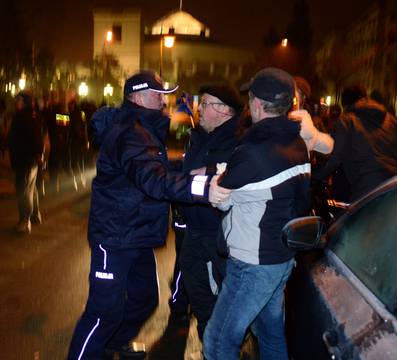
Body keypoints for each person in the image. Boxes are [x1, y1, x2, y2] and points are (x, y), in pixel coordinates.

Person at [67, 71, 228, 359]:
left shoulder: (142, 129)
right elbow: (153, 179)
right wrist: (204, 189)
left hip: (134, 233)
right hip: (115, 237)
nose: (164, 100)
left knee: (144, 299)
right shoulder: (130, 132)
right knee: (103, 312)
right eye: (158, 95)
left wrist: (197, 169)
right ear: (139, 97)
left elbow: (156, 168)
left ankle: (112, 344)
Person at [203, 68, 311, 359]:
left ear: (257, 104)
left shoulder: (252, 151)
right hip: (281, 258)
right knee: (271, 334)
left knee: (217, 342)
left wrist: (220, 177)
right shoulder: (298, 144)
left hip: (252, 264)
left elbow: (220, 198)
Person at [177, 84, 247, 340]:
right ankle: (209, 334)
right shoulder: (200, 135)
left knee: (227, 290)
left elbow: (230, 178)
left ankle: (224, 340)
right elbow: (189, 171)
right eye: (201, 103)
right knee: (194, 282)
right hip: (195, 226)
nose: (200, 109)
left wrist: (200, 174)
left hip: (219, 232)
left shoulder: (237, 141)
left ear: (224, 111)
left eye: (205, 104)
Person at [313, 85, 397, 201]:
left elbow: (336, 157)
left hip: (366, 189)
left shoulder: (347, 120)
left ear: (345, 104)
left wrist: (315, 176)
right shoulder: (390, 119)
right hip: (395, 185)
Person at [7, 92, 45, 234]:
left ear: (25, 102)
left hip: (25, 159)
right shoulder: (31, 115)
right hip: (28, 159)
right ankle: (35, 215)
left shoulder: (25, 116)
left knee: (23, 190)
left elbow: (35, 137)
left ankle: (25, 220)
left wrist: (38, 153)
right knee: (31, 188)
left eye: (19, 100)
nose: (16, 102)